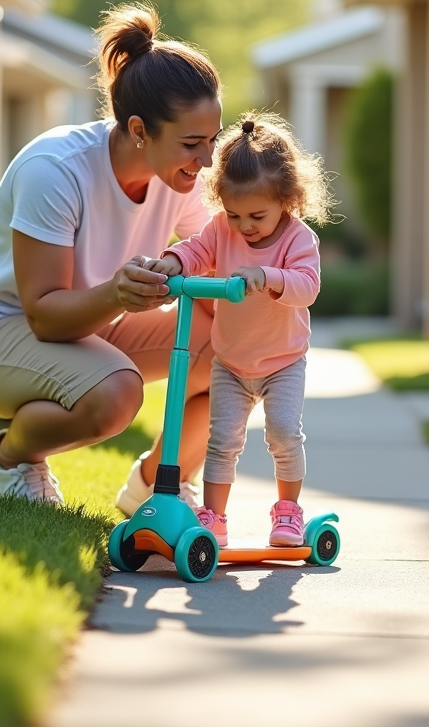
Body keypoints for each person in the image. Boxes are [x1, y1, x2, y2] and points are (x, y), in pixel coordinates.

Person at [0, 2, 222, 512]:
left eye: (213, 141)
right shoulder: (57, 169)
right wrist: (117, 293)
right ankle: (13, 458)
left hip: (91, 324)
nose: (205, 161)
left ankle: (158, 488)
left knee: (237, 356)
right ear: (140, 131)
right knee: (117, 394)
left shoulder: (179, 177)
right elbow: (44, 316)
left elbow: (216, 259)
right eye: (192, 144)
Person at [150, 112, 334, 547]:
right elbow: (198, 249)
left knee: (284, 434)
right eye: (233, 215)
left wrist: (269, 277)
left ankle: (288, 512)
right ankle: (215, 517)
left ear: (287, 200)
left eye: (256, 215)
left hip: (282, 361)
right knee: (222, 441)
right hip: (231, 362)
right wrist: (176, 261)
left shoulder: (299, 239)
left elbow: (307, 288)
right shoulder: (222, 230)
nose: (244, 226)